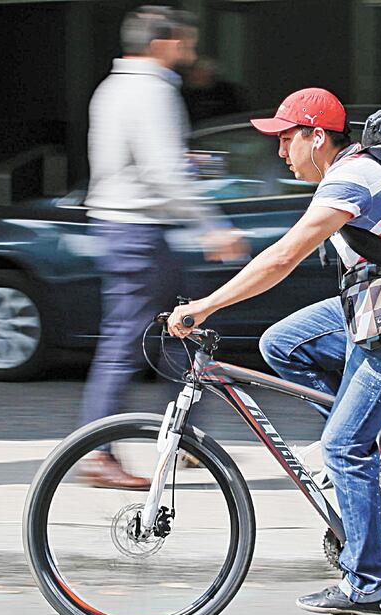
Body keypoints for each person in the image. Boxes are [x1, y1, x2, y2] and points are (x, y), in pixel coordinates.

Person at [168, 88, 381, 615]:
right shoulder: (347, 171)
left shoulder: (353, 177)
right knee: (281, 343)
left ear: (317, 136)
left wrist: (206, 307)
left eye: (286, 139)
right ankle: (376, 445)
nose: (281, 152)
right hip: (378, 313)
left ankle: (368, 584)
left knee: (343, 446)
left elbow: (282, 257)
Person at [79, 6, 245, 489]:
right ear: (163, 43)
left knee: (181, 330)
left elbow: (142, 163)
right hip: (139, 231)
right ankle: (96, 453)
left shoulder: (113, 87)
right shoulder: (151, 91)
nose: (190, 51)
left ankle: (183, 441)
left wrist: (183, 166)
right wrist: (211, 224)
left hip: (125, 227)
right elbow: (160, 172)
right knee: (127, 342)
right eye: (185, 41)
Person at [182, 57, 248, 122]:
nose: (195, 75)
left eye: (201, 71)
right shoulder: (184, 94)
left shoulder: (228, 92)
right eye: (193, 71)